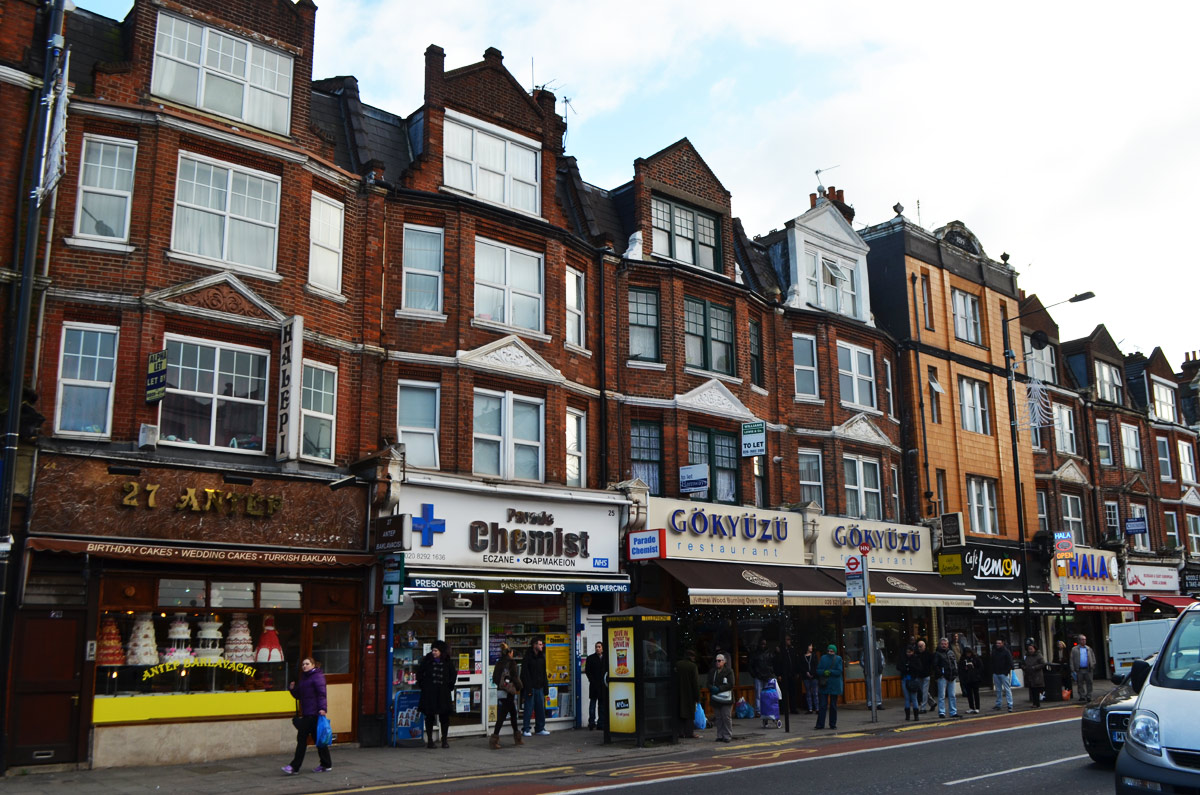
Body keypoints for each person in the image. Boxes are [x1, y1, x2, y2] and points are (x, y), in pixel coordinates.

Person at [282, 657, 332, 774]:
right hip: (307, 713)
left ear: (313, 665)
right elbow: (300, 695)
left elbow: (321, 694)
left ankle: (294, 767)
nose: (304, 666)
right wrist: (292, 689)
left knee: (302, 739)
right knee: (318, 740)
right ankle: (326, 764)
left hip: (314, 713)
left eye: (307, 664)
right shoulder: (304, 677)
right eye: (303, 664)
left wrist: (322, 708)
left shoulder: (317, 677)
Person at [418, 640, 455, 748]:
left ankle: (444, 740)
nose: (433, 652)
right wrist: (424, 686)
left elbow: (453, 674)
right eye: (433, 650)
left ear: (441, 651)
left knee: (444, 717)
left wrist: (449, 685)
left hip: (443, 694)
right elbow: (419, 674)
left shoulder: (447, 661)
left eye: (436, 650)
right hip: (429, 694)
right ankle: (430, 740)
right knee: (429, 716)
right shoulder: (427, 661)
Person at [490, 642, 523, 749]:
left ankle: (517, 737)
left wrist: (501, 685)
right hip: (509, 692)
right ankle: (494, 739)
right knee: (503, 715)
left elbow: (495, 678)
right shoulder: (511, 662)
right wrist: (519, 687)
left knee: (513, 713)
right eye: (512, 652)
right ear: (510, 653)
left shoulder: (499, 662)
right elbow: (515, 677)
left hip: (500, 691)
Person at [521, 637, 549, 736]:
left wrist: (545, 687)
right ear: (534, 645)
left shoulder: (542, 657)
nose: (542, 646)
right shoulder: (528, 657)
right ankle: (526, 729)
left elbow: (544, 673)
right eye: (540, 644)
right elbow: (524, 674)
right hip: (531, 687)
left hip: (540, 687)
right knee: (528, 709)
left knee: (540, 709)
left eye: (542, 644)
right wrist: (528, 688)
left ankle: (540, 728)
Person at [814, 643, 843, 731]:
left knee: (833, 705)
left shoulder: (838, 659)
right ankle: (820, 724)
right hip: (825, 684)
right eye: (829, 651)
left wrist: (829, 672)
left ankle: (832, 724)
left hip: (832, 685)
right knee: (823, 705)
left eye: (832, 651)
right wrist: (824, 672)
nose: (830, 652)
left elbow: (839, 671)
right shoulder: (823, 658)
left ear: (835, 652)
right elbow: (818, 670)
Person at [675, 649, 702, 738]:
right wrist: (697, 697)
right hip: (689, 694)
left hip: (678, 693)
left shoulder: (678, 664)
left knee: (680, 713)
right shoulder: (693, 666)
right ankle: (689, 732)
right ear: (692, 657)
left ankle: (680, 732)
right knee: (690, 714)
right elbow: (695, 683)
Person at [709, 652, 735, 743]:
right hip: (716, 698)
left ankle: (727, 735)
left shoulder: (729, 671)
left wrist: (719, 689)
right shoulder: (713, 671)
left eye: (719, 660)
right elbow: (708, 683)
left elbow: (731, 684)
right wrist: (711, 688)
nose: (717, 662)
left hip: (726, 698)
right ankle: (720, 735)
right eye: (716, 661)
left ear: (724, 661)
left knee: (726, 717)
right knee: (718, 718)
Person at [933, 637, 960, 718]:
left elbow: (955, 663)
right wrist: (941, 674)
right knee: (942, 695)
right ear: (939, 644)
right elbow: (935, 665)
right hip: (943, 677)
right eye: (942, 644)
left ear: (948, 644)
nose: (944, 645)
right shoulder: (937, 654)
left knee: (952, 695)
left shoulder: (951, 652)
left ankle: (953, 712)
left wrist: (955, 672)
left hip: (952, 676)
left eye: (945, 644)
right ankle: (942, 712)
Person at [773, 635, 799, 714]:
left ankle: (793, 708)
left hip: (792, 673)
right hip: (783, 674)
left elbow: (795, 661)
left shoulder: (792, 650)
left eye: (789, 639)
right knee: (783, 692)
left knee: (793, 692)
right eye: (787, 639)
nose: (789, 641)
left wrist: (796, 672)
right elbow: (777, 663)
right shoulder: (780, 650)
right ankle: (783, 709)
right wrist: (778, 674)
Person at [749, 638, 774, 717]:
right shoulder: (755, 654)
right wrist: (754, 674)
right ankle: (758, 711)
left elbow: (773, 664)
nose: (763, 645)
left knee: (766, 695)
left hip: (766, 676)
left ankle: (765, 710)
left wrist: (771, 672)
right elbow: (750, 665)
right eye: (762, 644)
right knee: (758, 695)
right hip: (759, 676)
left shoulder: (769, 653)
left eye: (764, 644)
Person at [585, 641, 606, 730]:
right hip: (594, 685)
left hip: (602, 685)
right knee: (592, 704)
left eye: (599, 647)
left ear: (602, 648)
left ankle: (601, 723)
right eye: (596, 647)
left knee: (601, 705)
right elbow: (587, 671)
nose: (597, 648)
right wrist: (592, 680)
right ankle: (591, 722)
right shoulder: (590, 658)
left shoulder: (605, 658)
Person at [899, 645, 923, 721]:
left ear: (913, 652)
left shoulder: (915, 659)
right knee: (908, 698)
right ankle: (908, 716)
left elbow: (919, 668)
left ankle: (915, 716)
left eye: (910, 652)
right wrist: (905, 668)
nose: (908, 653)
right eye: (907, 652)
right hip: (907, 679)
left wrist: (910, 667)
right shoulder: (903, 658)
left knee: (913, 698)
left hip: (912, 679)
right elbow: (898, 667)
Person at [1071, 635, 1097, 702]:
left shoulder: (1088, 648)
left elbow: (1093, 657)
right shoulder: (1074, 649)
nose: (1084, 641)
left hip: (1088, 669)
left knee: (1089, 683)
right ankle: (1082, 696)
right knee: (1080, 683)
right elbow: (1071, 659)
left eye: (1085, 639)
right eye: (1082, 639)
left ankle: (1089, 696)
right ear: (1079, 640)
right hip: (1079, 669)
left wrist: (1093, 664)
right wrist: (1072, 668)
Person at [991, 638, 1014, 712]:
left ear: (1002, 643)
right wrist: (993, 671)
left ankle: (1010, 704)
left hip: (1004, 673)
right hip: (996, 673)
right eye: (997, 643)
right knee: (998, 690)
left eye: (999, 643)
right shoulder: (994, 652)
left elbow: (1010, 662)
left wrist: (1006, 671)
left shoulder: (1006, 652)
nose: (997, 644)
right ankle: (998, 704)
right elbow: (992, 662)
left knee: (1007, 689)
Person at [1023, 642, 1047, 708]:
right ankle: (1034, 703)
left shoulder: (1038, 655)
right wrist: (1024, 667)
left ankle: (1037, 703)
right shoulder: (1026, 656)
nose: (1030, 650)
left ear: (1035, 649)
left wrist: (1035, 667)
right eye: (1029, 649)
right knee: (1032, 690)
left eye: (1031, 649)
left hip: (1037, 675)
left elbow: (1043, 664)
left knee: (1036, 690)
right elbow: (1023, 663)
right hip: (1029, 675)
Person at [959, 647, 982, 714]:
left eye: (969, 653)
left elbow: (981, 667)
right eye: (966, 653)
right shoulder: (962, 659)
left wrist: (975, 671)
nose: (968, 654)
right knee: (969, 694)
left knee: (976, 693)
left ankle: (977, 708)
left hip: (975, 679)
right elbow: (960, 669)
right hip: (967, 679)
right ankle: (971, 707)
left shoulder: (976, 658)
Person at [798, 643, 819, 714]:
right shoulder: (802, 657)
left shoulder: (814, 655)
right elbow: (801, 666)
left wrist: (813, 673)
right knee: (808, 692)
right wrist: (806, 672)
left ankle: (817, 708)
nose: (811, 647)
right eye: (810, 646)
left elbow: (816, 665)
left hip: (814, 676)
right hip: (806, 676)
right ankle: (810, 709)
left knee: (815, 692)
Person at [864, 642, 886, 710]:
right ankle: (870, 703)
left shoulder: (879, 651)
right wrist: (867, 668)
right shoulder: (866, 651)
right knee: (869, 688)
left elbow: (883, 660)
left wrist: (881, 668)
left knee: (878, 688)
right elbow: (862, 661)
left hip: (878, 672)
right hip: (869, 673)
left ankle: (878, 703)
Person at [916, 640, 934, 712]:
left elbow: (931, 664)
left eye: (921, 646)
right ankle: (932, 703)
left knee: (924, 691)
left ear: (924, 646)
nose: (919, 648)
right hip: (919, 675)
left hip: (926, 675)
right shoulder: (916, 654)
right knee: (924, 691)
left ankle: (923, 708)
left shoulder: (928, 654)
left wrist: (930, 672)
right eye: (918, 646)